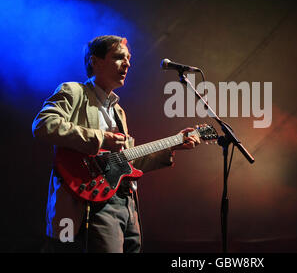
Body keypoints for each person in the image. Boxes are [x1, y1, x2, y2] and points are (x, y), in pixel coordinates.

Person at [32, 35, 201, 253]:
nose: (128, 63)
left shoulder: (119, 112)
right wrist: (101, 138)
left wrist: (174, 144)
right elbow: (43, 125)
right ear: (95, 61)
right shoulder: (74, 92)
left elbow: (126, 162)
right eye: (119, 57)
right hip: (94, 203)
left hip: (127, 204)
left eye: (129, 58)